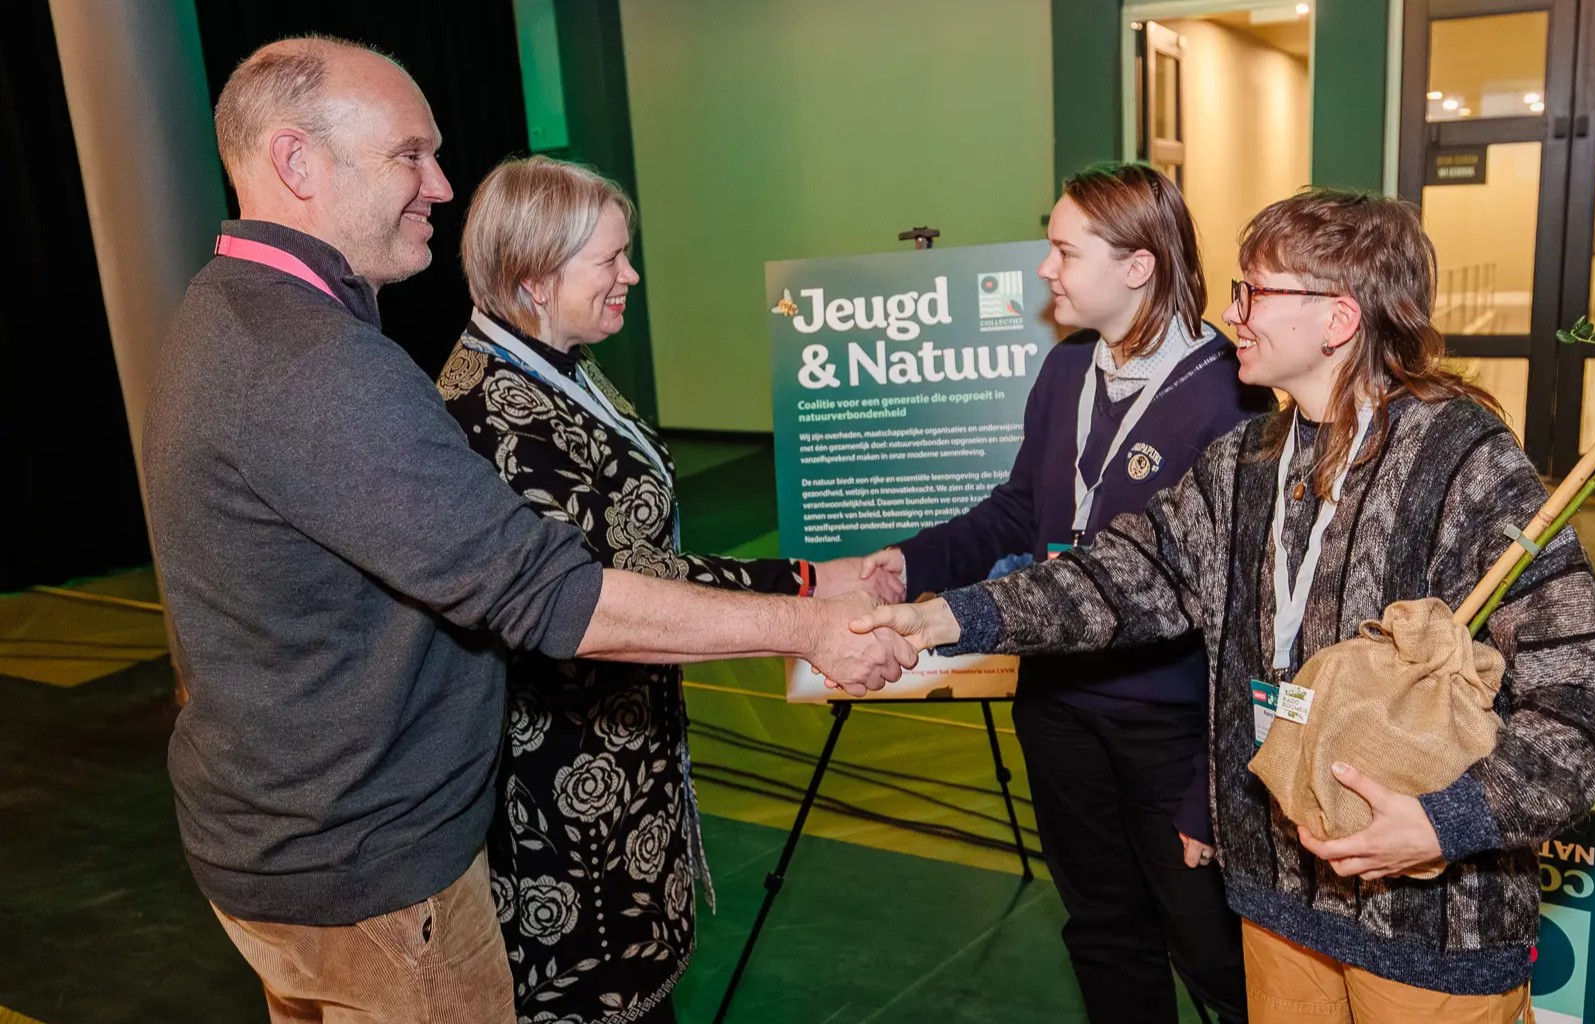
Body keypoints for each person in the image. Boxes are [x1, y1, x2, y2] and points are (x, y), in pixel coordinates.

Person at [144, 37, 910, 1024]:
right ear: (297, 163)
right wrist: (807, 622)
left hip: (288, 845)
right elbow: (553, 594)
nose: (439, 183)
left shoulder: (228, 317)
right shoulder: (321, 368)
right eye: (409, 155)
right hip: (371, 872)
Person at [854, 188, 1595, 1023]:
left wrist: (1448, 822)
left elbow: (1590, 693)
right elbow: (1118, 577)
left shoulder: (1466, 465)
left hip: (1429, 926)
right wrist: (944, 619)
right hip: (1276, 905)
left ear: (1337, 319)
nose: (1231, 313)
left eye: (1253, 292)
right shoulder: (1244, 459)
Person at [439, 155, 884, 1022]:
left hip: (617, 752)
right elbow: (614, 589)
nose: (630, 274)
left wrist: (812, 579)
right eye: (609, 259)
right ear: (534, 277)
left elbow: (638, 552)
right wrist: (808, 603)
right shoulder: (491, 413)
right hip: (560, 789)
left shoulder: (553, 363)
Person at [820, 162, 1265, 1023]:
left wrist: (1212, 781)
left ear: (1137, 266)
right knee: (1102, 929)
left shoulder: (1232, 396)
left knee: (1212, 949)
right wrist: (907, 565)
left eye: (1063, 250)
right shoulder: (1066, 371)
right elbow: (1020, 507)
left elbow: (1245, 610)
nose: (1045, 270)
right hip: (1057, 699)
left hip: (1170, 724)